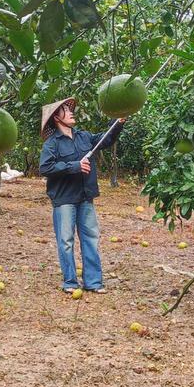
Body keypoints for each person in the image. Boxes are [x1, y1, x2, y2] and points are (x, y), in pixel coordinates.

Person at [38, 97, 125, 294]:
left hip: (85, 197)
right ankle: (70, 281)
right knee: (66, 241)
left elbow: (107, 139)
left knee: (90, 238)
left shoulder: (84, 137)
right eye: (65, 110)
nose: (70, 112)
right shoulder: (52, 144)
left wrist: (117, 123)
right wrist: (73, 166)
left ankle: (93, 282)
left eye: (69, 109)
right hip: (64, 199)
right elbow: (45, 167)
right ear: (56, 118)